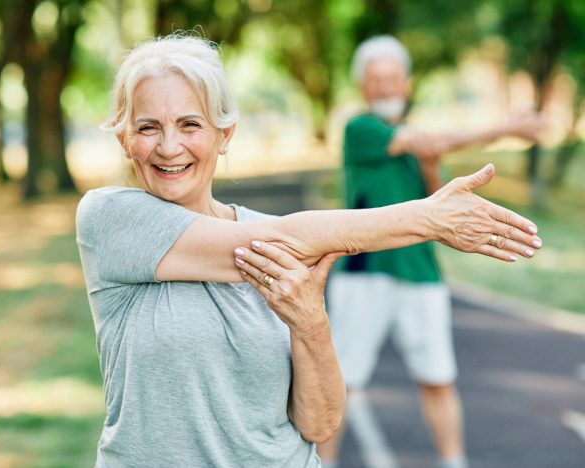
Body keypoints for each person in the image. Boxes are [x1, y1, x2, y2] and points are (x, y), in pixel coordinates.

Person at [75, 33, 542, 467]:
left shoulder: (277, 238)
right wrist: (427, 219)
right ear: (124, 139)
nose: (169, 146)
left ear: (225, 135)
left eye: (190, 124)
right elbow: (283, 241)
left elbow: (318, 424)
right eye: (148, 127)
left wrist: (311, 323)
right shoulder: (109, 219)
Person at [316, 35, 546, 468]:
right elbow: (422, 141)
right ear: (363, 86)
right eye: (375, 79)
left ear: (407, 83)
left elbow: (435, 191)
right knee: (341, 384)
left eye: (392, 78)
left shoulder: (424, 143)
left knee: (438, 380)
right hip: (365, 274)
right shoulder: (360, 130)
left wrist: (431, 157)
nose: (384, 87)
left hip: (421, 275)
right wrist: (504, 128)